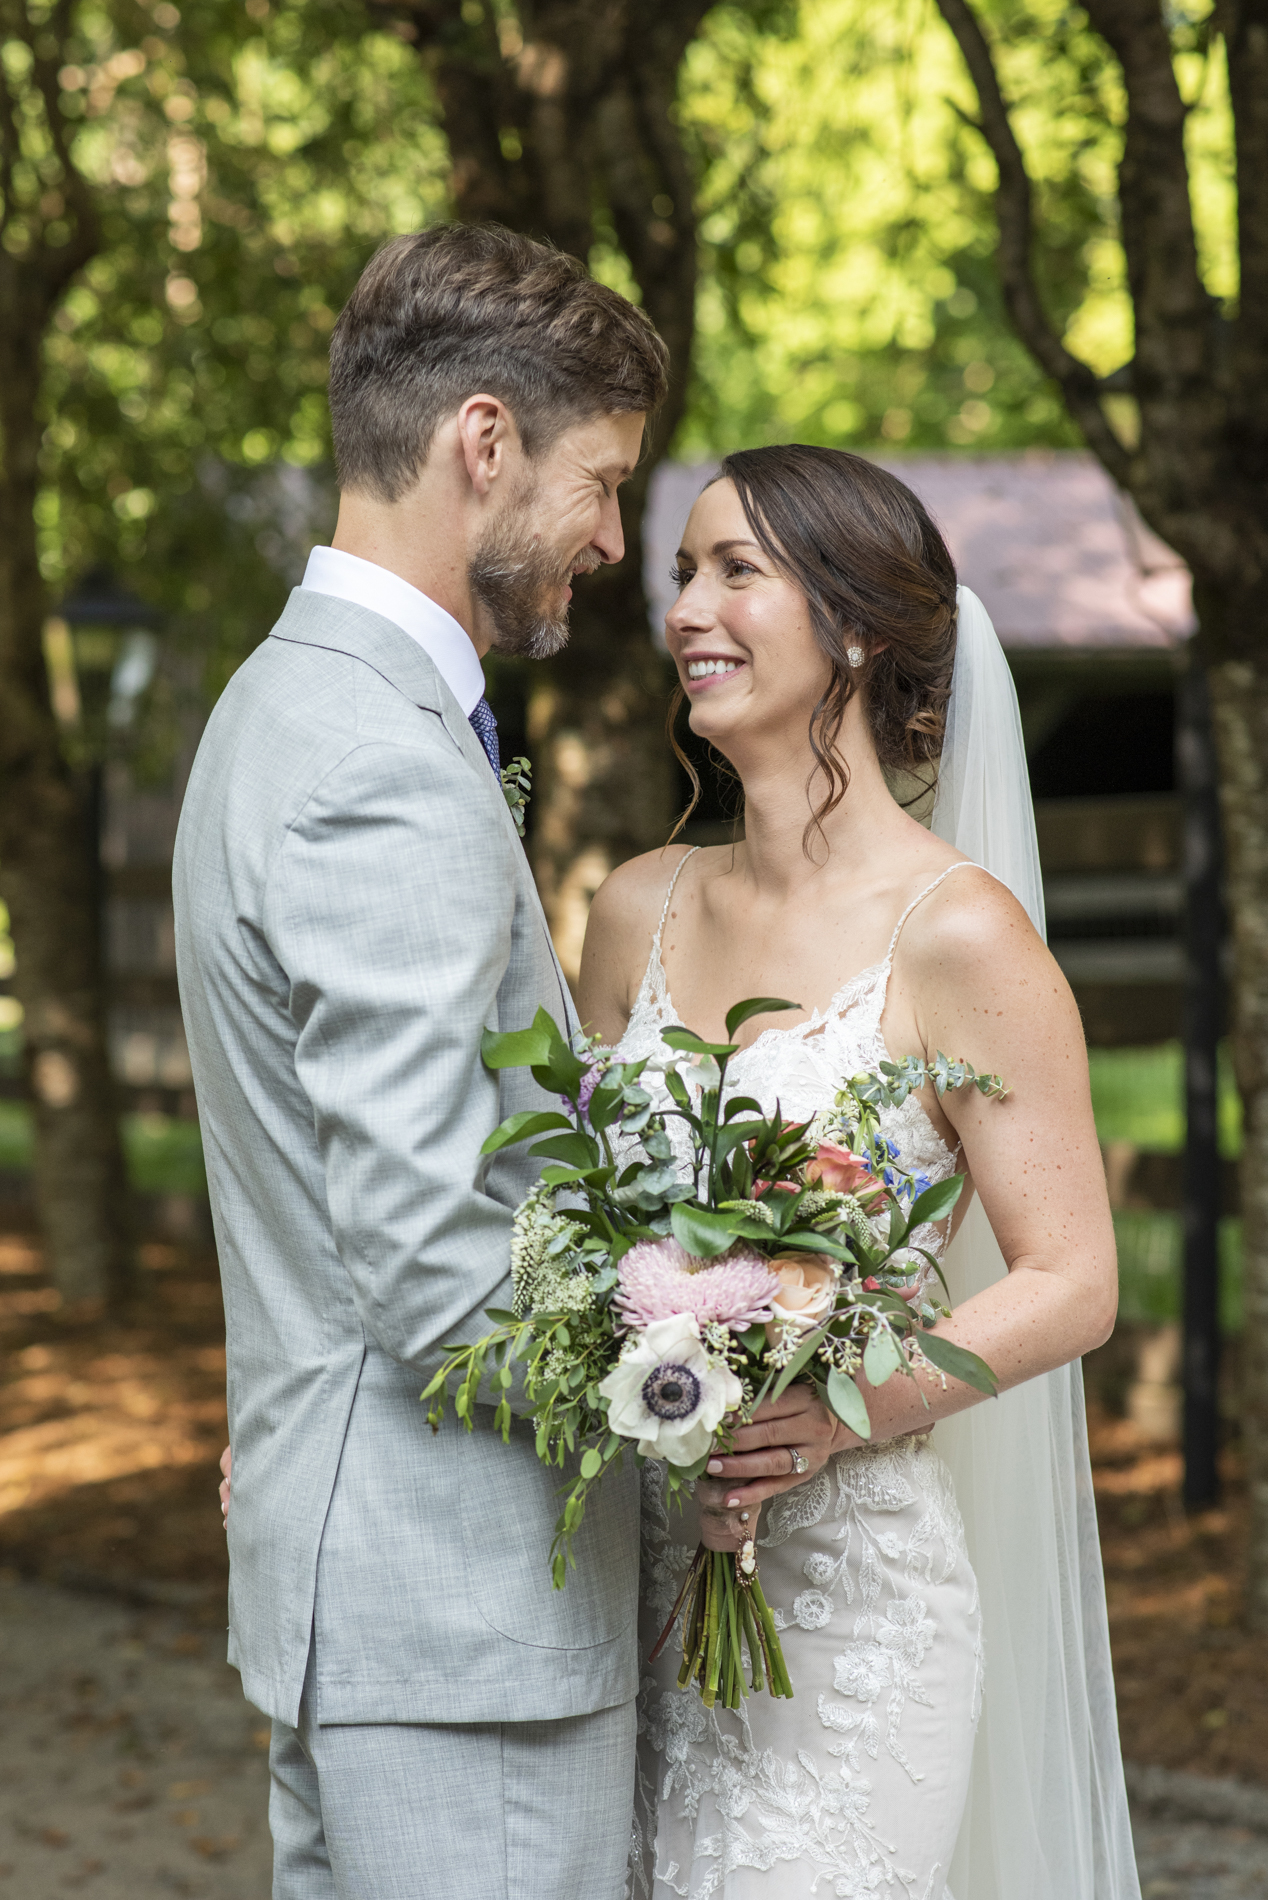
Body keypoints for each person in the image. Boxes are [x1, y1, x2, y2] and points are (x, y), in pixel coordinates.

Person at [183, 225, 840, 1900]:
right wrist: (695, 1363)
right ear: (485, 442)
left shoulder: (292, 709)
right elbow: (433, 1261)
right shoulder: (373, 765)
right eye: (607, 484)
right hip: (455, 1625)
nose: (617, 543)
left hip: (381, 1603)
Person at [580, 447, 1142, 1899]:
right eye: (680, 572)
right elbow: (570, 1227)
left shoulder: (959, 938)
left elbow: (1074, 1280)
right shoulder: (635, 907)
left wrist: (845, 1409)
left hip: (850, 1607)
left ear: (857, 628)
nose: (687, 607)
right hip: (626, 1592)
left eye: (735, 571)